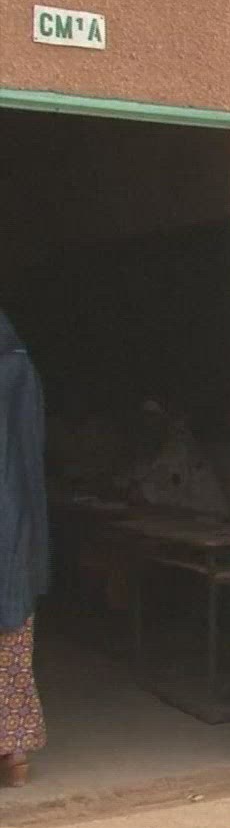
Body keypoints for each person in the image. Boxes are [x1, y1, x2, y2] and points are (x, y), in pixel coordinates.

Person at [1, 312, 50, 787]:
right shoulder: (17, 365)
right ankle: (14, 754)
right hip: (9, 521)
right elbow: (29, 453)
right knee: (11, 637)